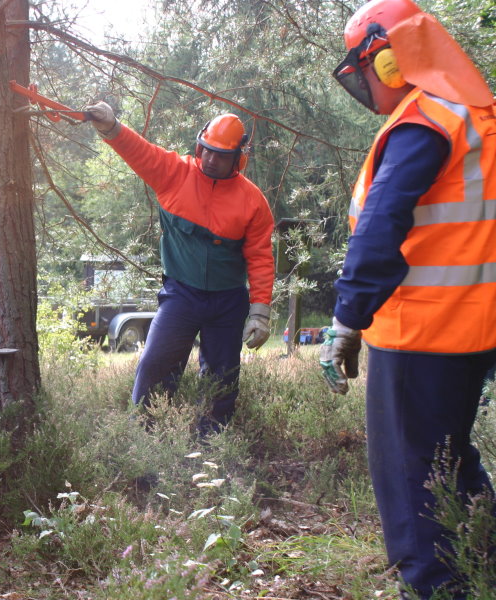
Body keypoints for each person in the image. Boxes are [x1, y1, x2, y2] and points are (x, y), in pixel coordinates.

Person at [319, 0, 496, 597]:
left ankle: (436, 586)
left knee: (411, 474)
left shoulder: (426, 122)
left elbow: (381, 220)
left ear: (390, 61)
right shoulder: (477, 115)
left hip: (421, 331)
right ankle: (484, 561)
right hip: (474, 328)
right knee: (450, 457)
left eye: (363, 69)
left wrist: (348, 316)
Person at [84, 103, 275, 435]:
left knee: (222, 379)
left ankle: (212, 449)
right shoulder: (174, 172)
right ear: (200, 145)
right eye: (208, 151)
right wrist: (110, 126)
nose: (212, 160)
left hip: (228, 302)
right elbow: (139, 151)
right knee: (155, 365)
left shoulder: (253, 201)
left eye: (221, 155)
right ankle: (145, 443)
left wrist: (260, 312)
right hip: (181, 295)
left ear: (238, 159)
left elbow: (260, 257)